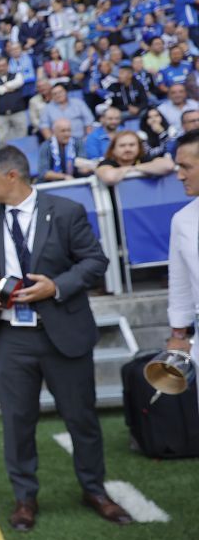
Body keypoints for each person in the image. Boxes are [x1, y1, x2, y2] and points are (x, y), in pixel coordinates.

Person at [0, 145, 129, 532]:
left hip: (63, 332)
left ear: (12, 176)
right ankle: (25, 498)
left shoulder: (65, 210)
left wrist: (55, 287)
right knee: (17, 421)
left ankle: (94, 489)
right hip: (9, 336)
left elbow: (95, 261)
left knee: (82, 418)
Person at [167, 130, 199, 372]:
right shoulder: (182, 219)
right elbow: (180, 282)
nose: (179, 176)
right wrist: (178, 332)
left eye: (185, 167)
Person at [95, 130, 175, 186]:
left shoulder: (144, 159)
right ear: (113, 149)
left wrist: (133, 168)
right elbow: (110, 177)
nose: (127, 149)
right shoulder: (107, 162)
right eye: (122, 146)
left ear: (139, 147)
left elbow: (168, 165)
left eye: (132, 145)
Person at [0, 57, 28, 143]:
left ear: (7, 66)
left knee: (23, 137)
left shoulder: (17, 75)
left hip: (18, 111)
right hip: (1, 114)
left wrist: (2, 88)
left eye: (3, 65)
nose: (1, 68)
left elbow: (19, 82)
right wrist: (9, 88)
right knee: (3, 140)